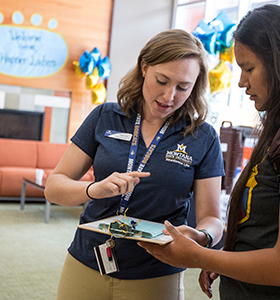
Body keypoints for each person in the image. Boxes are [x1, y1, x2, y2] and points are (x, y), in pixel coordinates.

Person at [139, 5, 280, 300]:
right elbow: (268, 229)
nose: (241, 81)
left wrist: (201, 257)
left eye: (249, 68)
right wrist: (230, 257)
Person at [45, 29, 224, 300]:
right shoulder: (105, 117)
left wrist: (202, 236)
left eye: (182, 87)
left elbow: (212, 219)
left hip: (156, 272)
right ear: (144, 67)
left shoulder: (203, 136)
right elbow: (54, 188)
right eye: (161, 81)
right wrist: (93, 190)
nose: (169, 96)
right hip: (88, 261)